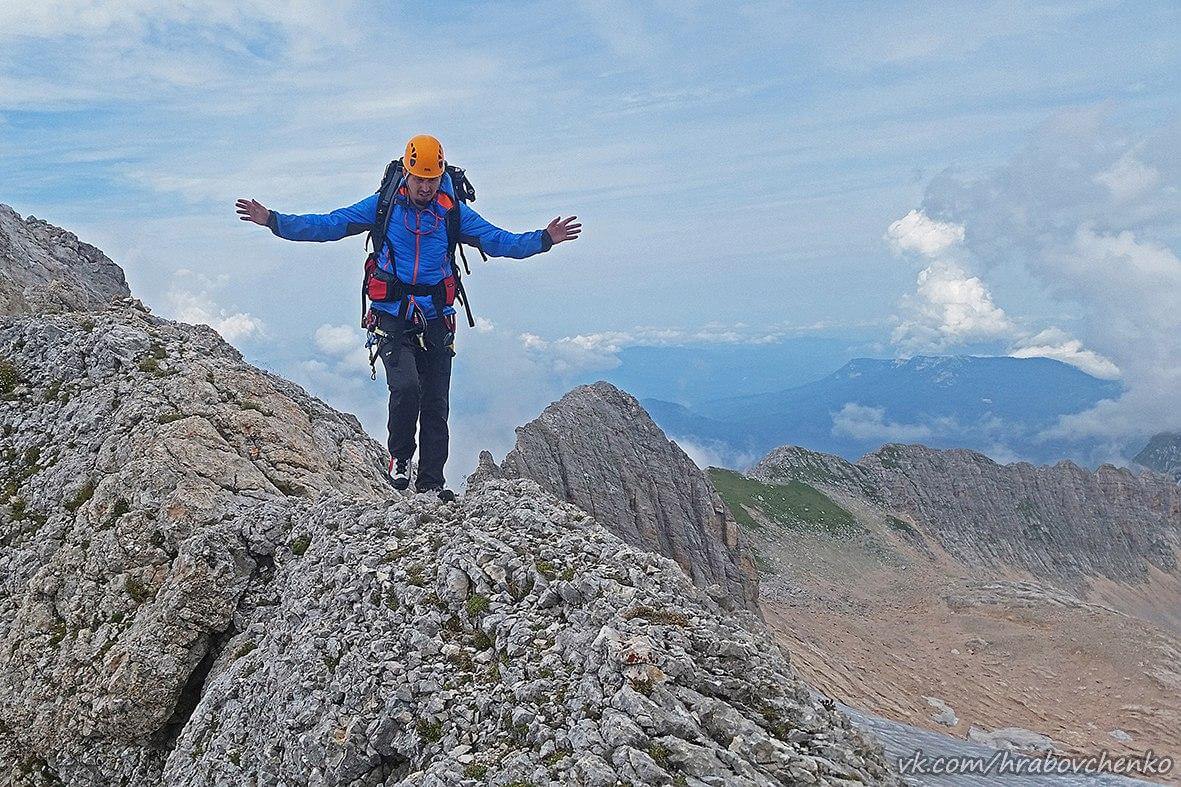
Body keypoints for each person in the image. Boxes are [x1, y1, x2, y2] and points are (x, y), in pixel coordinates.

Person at [235, 134, 581, 500]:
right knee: (405, 388)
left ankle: (431, 484)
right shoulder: (383, 207)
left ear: (441, 175)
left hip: (437, 319)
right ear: (406, 173)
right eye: (419, 179)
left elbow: (499, 241)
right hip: (391, 316)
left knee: (436, 404)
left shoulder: (452, 212)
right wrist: (274, 220)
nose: (425, 188)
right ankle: (400, 457)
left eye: (432, 180)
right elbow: (329, 224)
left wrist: (543, 239)